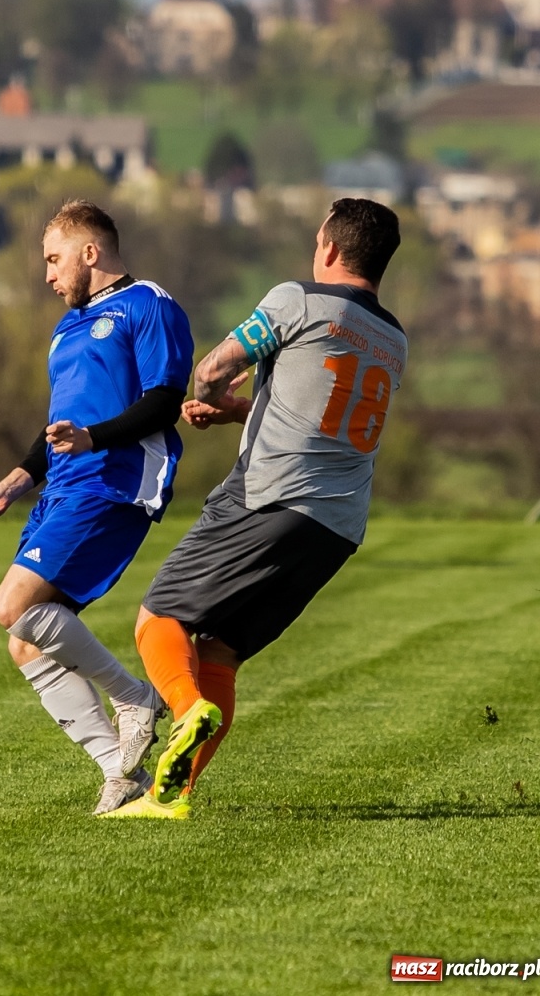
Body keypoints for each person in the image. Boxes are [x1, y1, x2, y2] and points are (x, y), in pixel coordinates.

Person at [105, 197, 406, 820]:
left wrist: (210, 395)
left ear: (329, 247)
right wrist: (242, 413)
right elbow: (322, 419)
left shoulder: (298, 299)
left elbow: (215, 367)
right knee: (219, 653)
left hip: (268, 494)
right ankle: (171, 797)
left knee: (158, 619)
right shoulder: (392, 339)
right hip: (337, 526)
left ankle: (188, 714)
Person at [0, 199, 194, 815]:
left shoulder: (149, 305)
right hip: (65, 484)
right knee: (26, 642)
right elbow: (57, 428)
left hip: (115, 481)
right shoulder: (68, 327)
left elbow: (166, 400)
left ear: (91, 253)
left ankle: (135, 698)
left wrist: (94, 440)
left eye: (53, 259)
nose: (47, 275)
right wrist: (13, 483)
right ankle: (123, 777)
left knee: (12, 606)